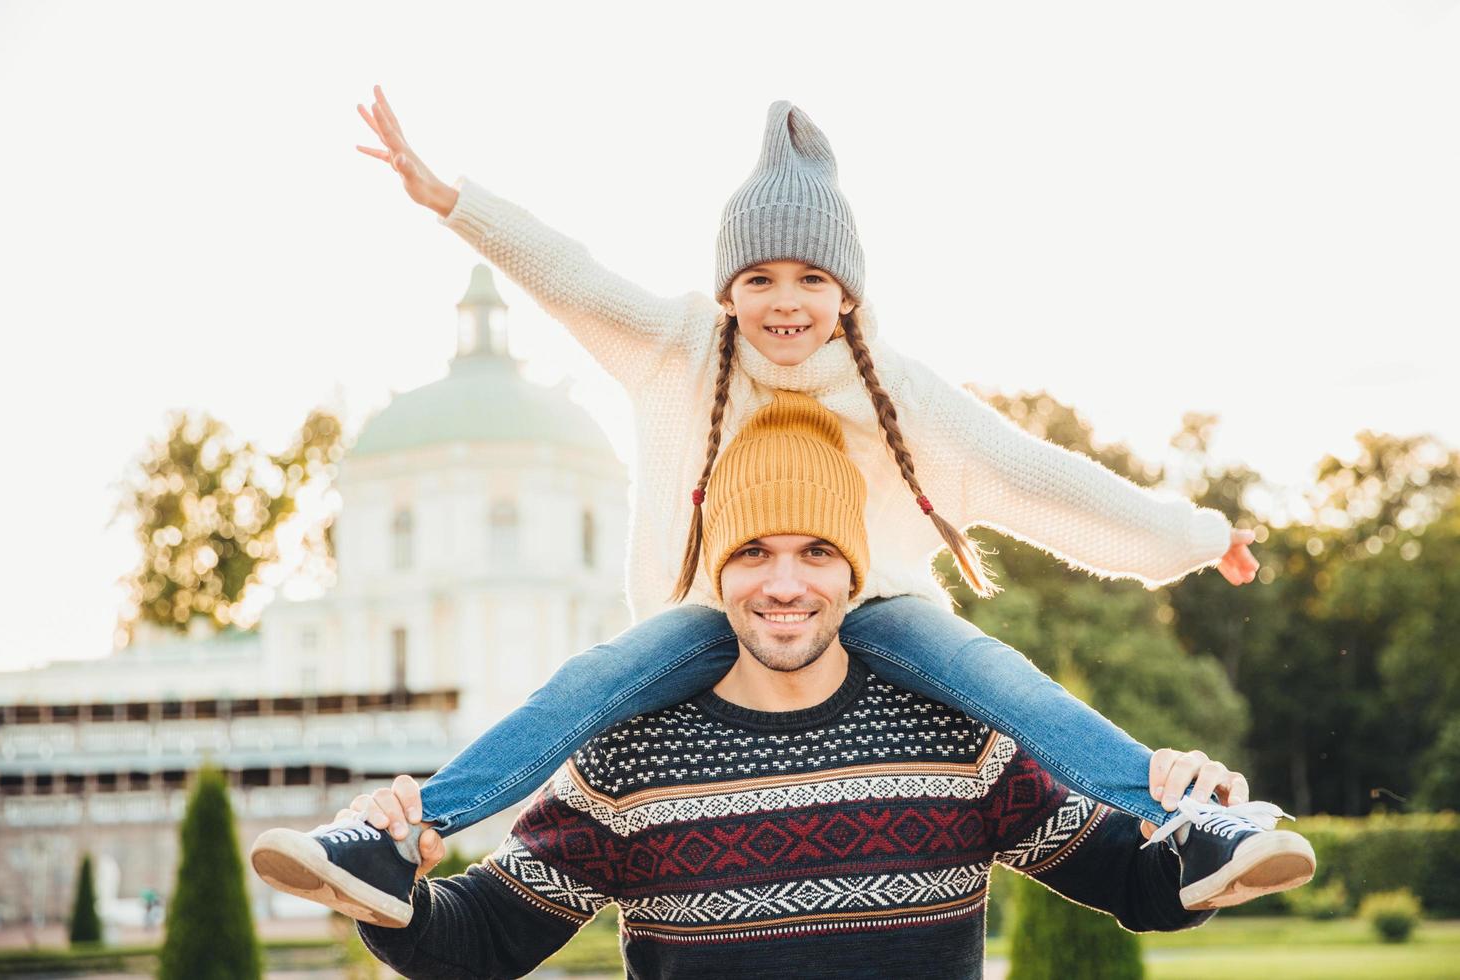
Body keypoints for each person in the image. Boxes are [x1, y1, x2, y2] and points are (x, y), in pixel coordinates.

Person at [251, 88, 1302, 925]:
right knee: (586, 683)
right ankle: (400, 833)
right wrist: (451, 199)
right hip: (715, 601)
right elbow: (569, 273)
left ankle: (1193, 821)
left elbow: (1038, 476)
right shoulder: (676, 347)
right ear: (726, 290)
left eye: (810, 276)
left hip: (874, 601)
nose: (785, 301)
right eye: (759, 277)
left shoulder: (895, 383)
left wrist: (1196, 536)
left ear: (847, 290)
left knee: (1009, 682)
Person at [271, 394, 1310, 979]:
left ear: (857, 569)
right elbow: (482, 942)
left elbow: (1134, 882)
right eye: (754, 551)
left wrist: (1195, 812)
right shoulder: (631, 758)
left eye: (817, 550)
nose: (783, 582)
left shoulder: (954, 735)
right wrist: (391, 889)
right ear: (713, 569)